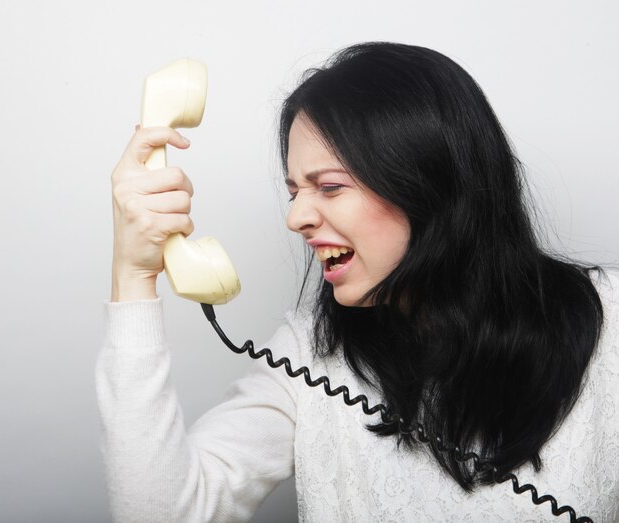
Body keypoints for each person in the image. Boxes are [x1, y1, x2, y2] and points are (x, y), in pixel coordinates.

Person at [97, 42, 619, 522]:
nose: (296, 217)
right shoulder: (307, 356)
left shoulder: (610, 318)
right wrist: (134, 275)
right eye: (294, 191)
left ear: (430, 184)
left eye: (328, 187)